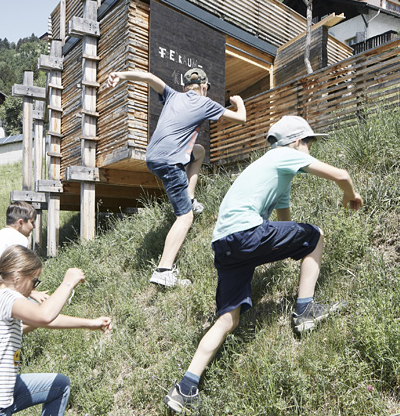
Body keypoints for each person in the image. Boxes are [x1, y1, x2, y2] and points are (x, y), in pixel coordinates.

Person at [164, 115, 363, 412]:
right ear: (296, 142)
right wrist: (352, 195)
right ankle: (305, 310)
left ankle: (185, 387)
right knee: (316, 235)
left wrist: (289, 252)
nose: (310, 150)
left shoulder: (271, 170)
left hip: (224, 244)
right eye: (309, 144)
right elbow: (341, 175)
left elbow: (285, 222)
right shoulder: (284, 155)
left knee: (228, 319)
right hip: (246, 234)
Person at [107, 67, 246, 287]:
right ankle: (163, 270)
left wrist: (121, 75)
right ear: (204, 87)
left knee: (198, 152)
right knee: (185, 217)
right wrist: (239, 102)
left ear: (184, 87)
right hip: (170, 162)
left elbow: (148, 77)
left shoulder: (172, 95)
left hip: (152, 156)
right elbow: (241, 118)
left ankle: (190, 198)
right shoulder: (206, 103)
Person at [0, 244, 112, 415]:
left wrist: (90, 323)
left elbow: (46, 320)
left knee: (59, 385)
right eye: (34, 281)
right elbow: (44, 315)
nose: (33, 289)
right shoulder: (6, 297)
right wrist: (68, 283)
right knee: (59, 386)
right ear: (17, 276)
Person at [0, 203, 47, 303]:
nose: (34, 226)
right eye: (32, 222)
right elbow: (17, 272)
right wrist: (31, 292)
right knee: (34, 305)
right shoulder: (19, 239)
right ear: (20, 222)